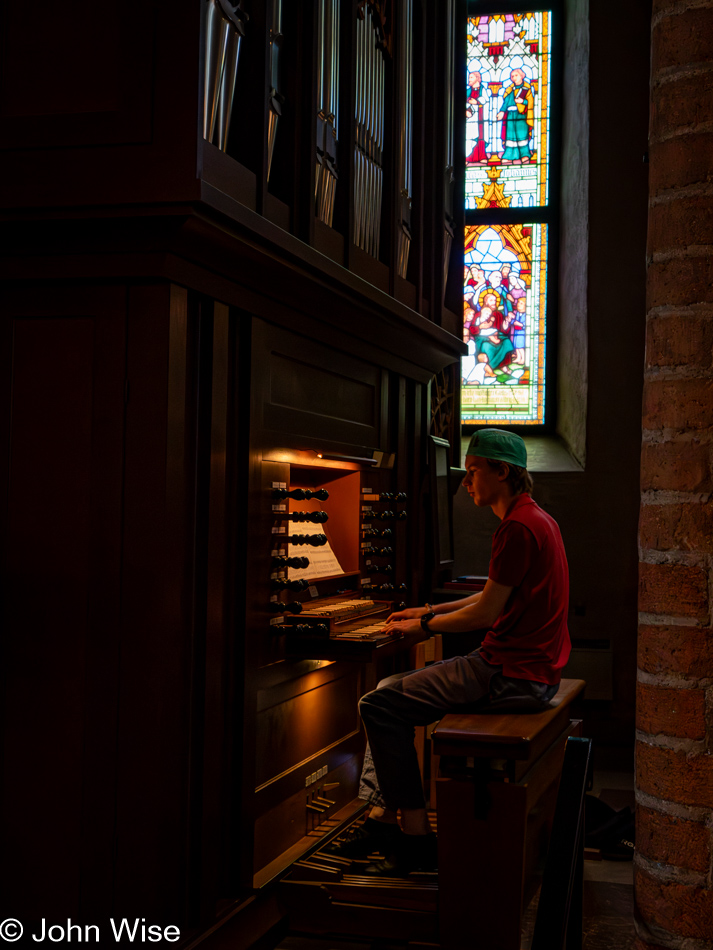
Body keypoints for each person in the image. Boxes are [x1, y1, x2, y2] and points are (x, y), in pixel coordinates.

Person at [329, 429, 570, 875]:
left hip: (510, 673)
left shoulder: (517, 528)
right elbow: (490, 598)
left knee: (378, 705)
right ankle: (381, 818)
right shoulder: (535, 519)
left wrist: (422, 625)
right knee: (387, 688)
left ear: (503, 471)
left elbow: (484, 615)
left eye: (474, 470)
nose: (466, 481)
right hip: (528, 668)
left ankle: (415, 835)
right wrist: (429, 609)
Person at [497, 68, 535, 164]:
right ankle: (510, 155)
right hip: (510, 115)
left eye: (516, 75)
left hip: (521, 115)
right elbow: (506, 102)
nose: (514, 78)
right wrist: (502, 111)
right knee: (510, 135)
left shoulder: (527, 89)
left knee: (521, 135)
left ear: (522, 76)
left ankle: (524, 154)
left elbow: (531, 102)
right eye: (512, 76)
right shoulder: (510, 90)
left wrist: (523, 101)